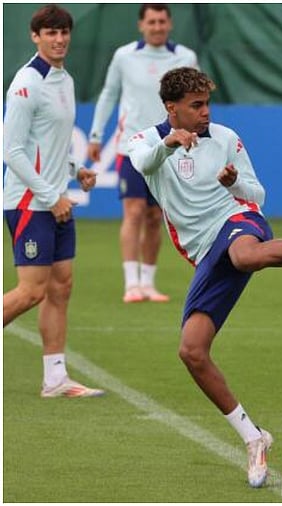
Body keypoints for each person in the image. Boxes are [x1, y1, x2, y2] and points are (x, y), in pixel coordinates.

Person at [128, 67, 282, 487]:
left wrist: (234, 184)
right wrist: (168, 144)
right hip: (206, 251)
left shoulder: (226, 138)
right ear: (172, 109)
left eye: (207, 103)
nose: (205, 112)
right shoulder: (145, 140)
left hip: (239, 220)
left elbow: (258, 195)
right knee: (192, 351)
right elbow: (143, 162)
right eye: (196, 106)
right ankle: (254, 437)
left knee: (246, 255)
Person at [3, 5, 105, 399]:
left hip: (55, 197)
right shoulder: (26, 83)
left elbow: (50, 141)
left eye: (63, 32)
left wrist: (76, 169)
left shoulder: (64, 79)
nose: (59, 39)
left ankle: (55, 379)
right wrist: (50, 196)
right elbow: (12, 151)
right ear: (35, 36)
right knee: (31, 291)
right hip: (31, 201)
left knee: (61, 286)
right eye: (50, 32)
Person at [88, 3, 198, 304]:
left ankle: (148, 283)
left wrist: (197, 135)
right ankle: (131, 283)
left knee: (154, 217)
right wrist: (96, 135)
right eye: (151, 21)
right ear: (141, 25)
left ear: (170, 24)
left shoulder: (185, 57)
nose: (157, 26)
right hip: (132, 147)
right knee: (133, 211)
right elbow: (109, 94)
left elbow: (196, 102)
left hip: (171, 149)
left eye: (162, 21)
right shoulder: (125, 56)